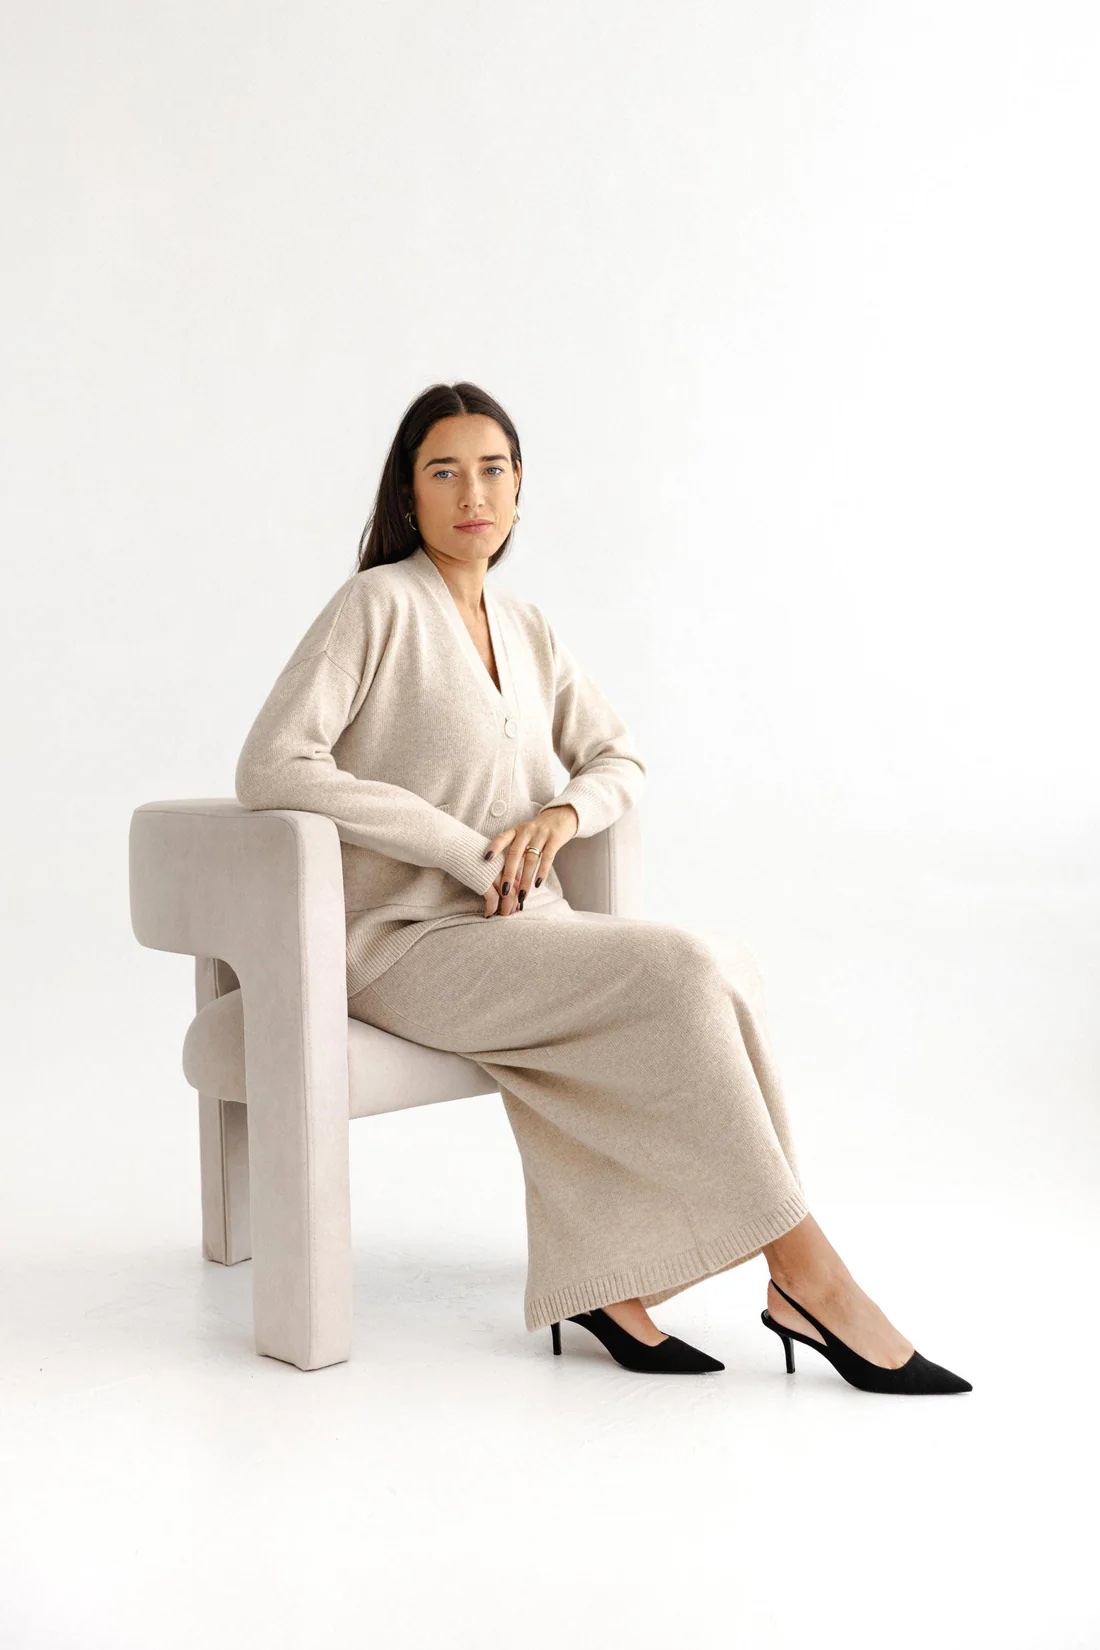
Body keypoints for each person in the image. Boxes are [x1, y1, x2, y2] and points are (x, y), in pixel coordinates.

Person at [234, 380, 971, 1395]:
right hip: (404, 942)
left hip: (524, 929)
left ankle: (606, 1282)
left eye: (492, 470)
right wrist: (460, 849)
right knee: (677, 969)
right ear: (408, 494)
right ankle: (808, 1276)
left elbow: (617, 756)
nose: (472, 493)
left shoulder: (527, 625)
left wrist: (562, 817)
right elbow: (273, 764)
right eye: (444, 472)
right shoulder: (376, 605)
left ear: (519, 488)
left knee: (724, 962)